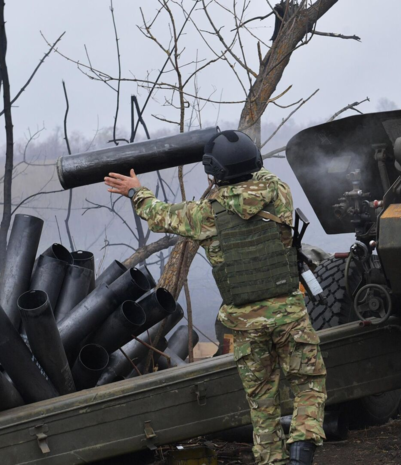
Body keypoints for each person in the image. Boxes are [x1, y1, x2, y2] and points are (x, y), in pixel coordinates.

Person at [104, 130, 327, 465]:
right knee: (308, 385)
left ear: (214, 173)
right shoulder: (278, 191)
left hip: (246, 325)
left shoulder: (204, 215)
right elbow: (259, 172)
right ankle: (301, 452)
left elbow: (159, 214)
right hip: (289, 315)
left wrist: (136, 192)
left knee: (262, 403)